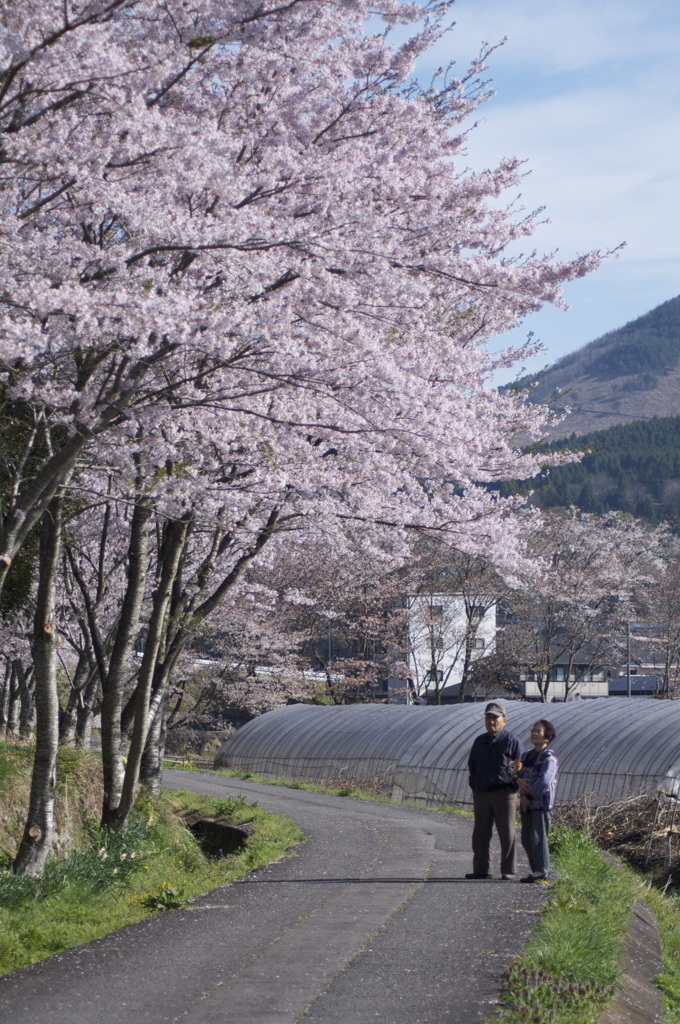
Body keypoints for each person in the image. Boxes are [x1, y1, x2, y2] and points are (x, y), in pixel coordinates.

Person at [466, 702, 522, 880]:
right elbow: (472, 765)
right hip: (482, 793)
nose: (491, 721)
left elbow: (519, 768)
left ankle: (508, 870)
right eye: (488, 718)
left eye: (495, 718)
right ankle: (482, 870)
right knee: (480, 834)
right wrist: (475, 784)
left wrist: (516, 789)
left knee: (507, 834)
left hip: (504, 793)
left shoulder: (511, 741)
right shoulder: (479, 741)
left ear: (504, 721)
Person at [517, 719, 559, 884]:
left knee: (538, 837)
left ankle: (542, 871)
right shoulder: (527, 756)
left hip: (540, 803)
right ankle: (535, 870)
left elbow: (545, 781)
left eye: (539, 731)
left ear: (547, 737)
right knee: (526, 838)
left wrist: (528, 797)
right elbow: (514, 771)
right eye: (533, 730)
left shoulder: (549, 757)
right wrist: (518, 781)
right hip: (526, 804)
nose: (534, 733)